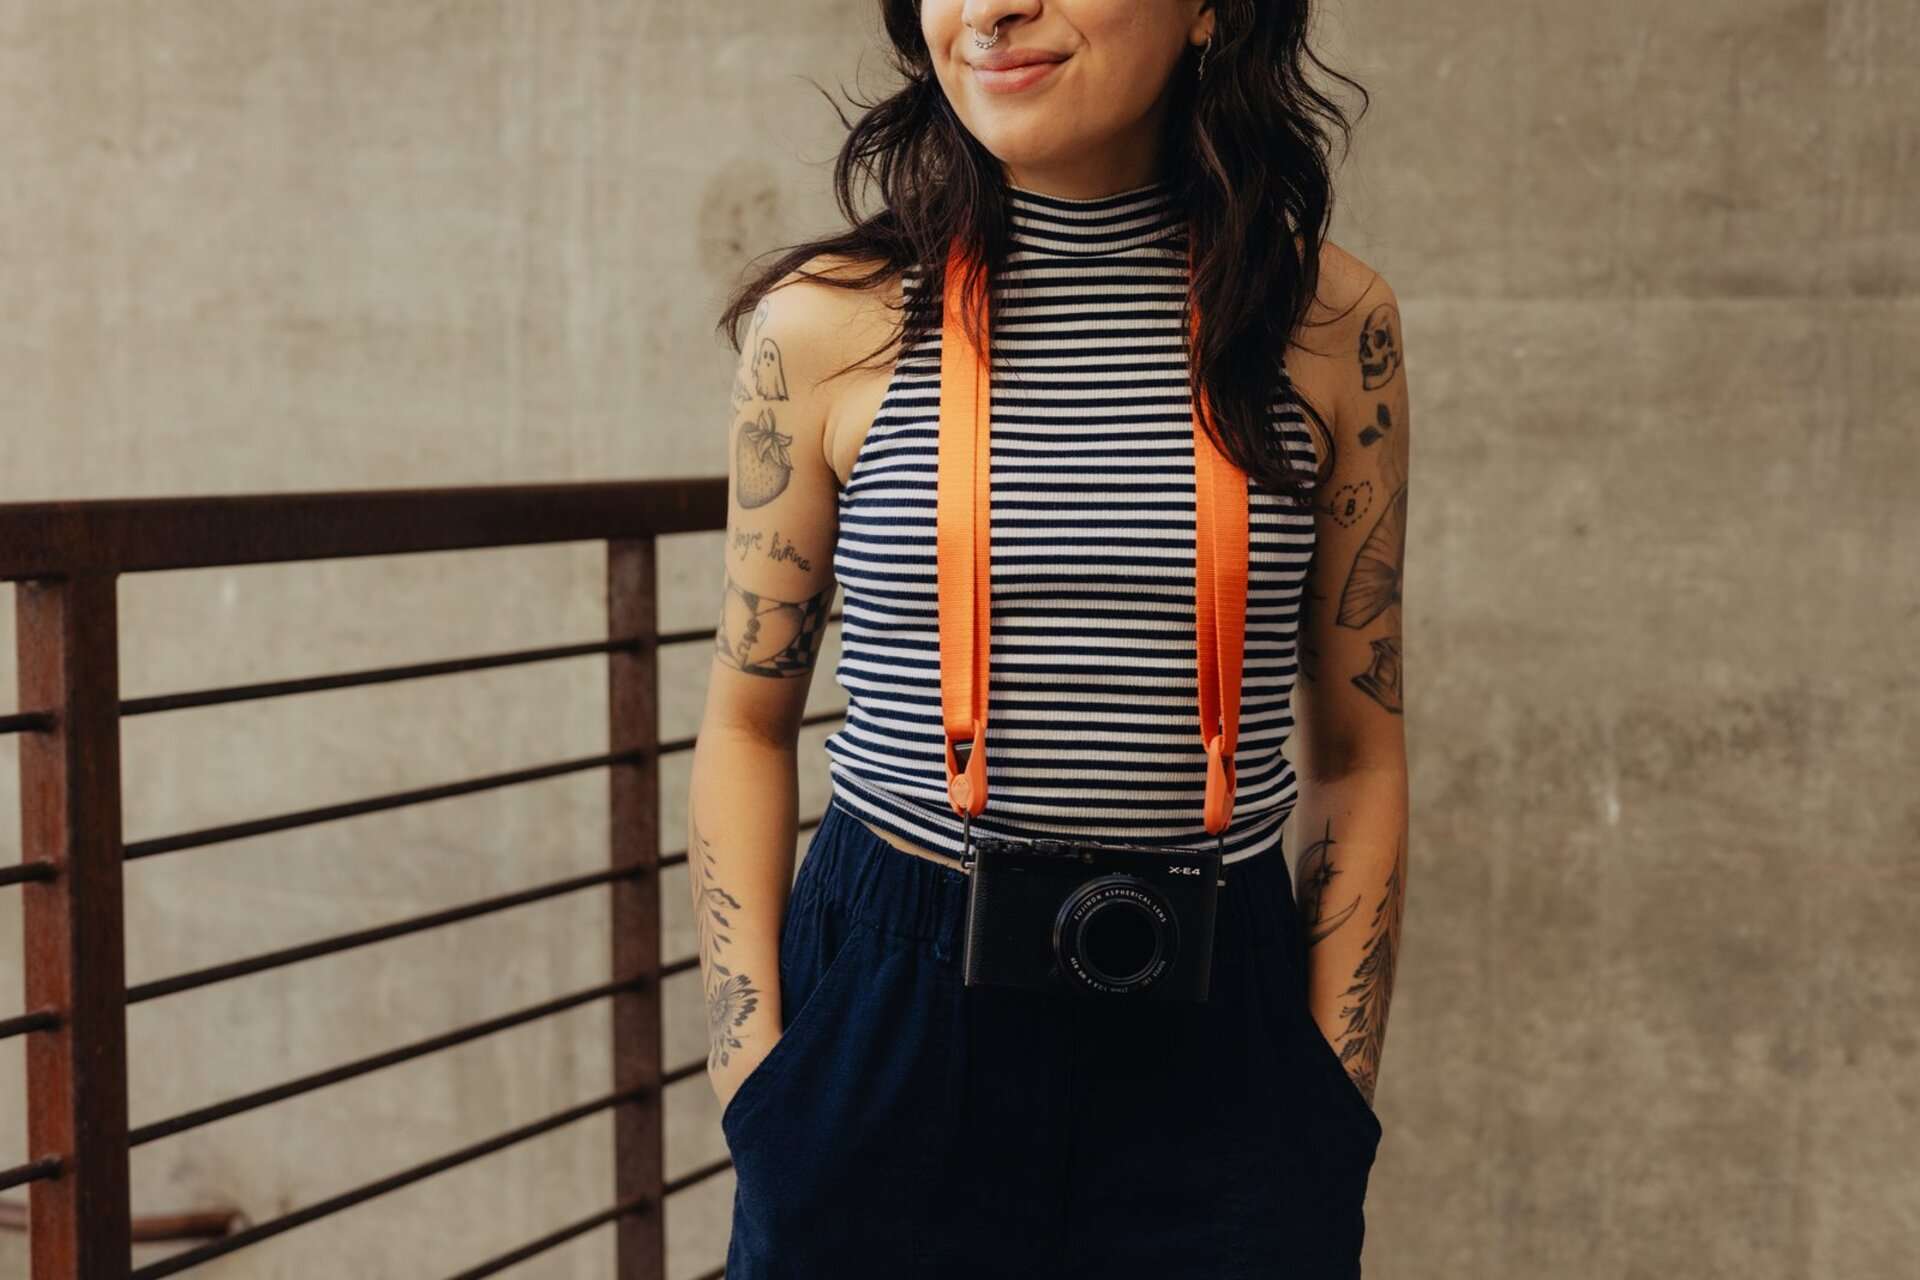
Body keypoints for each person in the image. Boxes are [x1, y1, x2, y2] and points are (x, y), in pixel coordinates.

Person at [688, 1, 1411, 1275]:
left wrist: (1330, 1091)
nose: (993, 8)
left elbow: (1360, 749)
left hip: (1223, 1028)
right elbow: (747, 719)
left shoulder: (1330, 323)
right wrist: (759, 1083)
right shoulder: (824, 325)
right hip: (896, 1004)